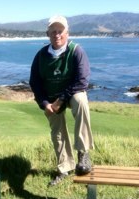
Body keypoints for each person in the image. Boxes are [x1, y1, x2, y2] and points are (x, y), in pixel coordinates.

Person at [29, 15, 94, 186]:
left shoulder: (76, 51)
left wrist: (61, 100)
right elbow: (35, 83)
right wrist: (45, 104)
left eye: (60, 31)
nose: (57, 35)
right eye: (53, 32)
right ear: (48, 34)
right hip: (50, 99)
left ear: (67, 33)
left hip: (70, 95)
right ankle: (64, 168)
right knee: (57, 132)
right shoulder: (41, 55)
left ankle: (83, 154)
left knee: (80, 101)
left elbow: (82, 80)